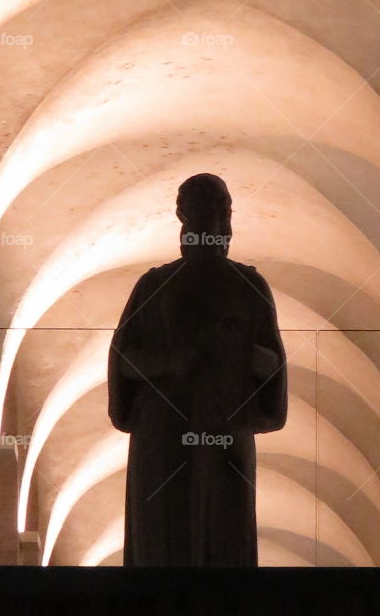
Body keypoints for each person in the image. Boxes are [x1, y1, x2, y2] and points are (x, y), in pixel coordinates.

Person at [107, 173, 287, 566]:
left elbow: (272, 362)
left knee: (225, 525)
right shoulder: (154, 285)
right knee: (164, 528)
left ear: (226, 219)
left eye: (215, 214)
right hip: (166, 427)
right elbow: (125, 360)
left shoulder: (249, 284)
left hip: (225, 419)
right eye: (198, 215)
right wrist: (171, 361)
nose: (209, 226)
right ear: (182, 218)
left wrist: (238, 351)